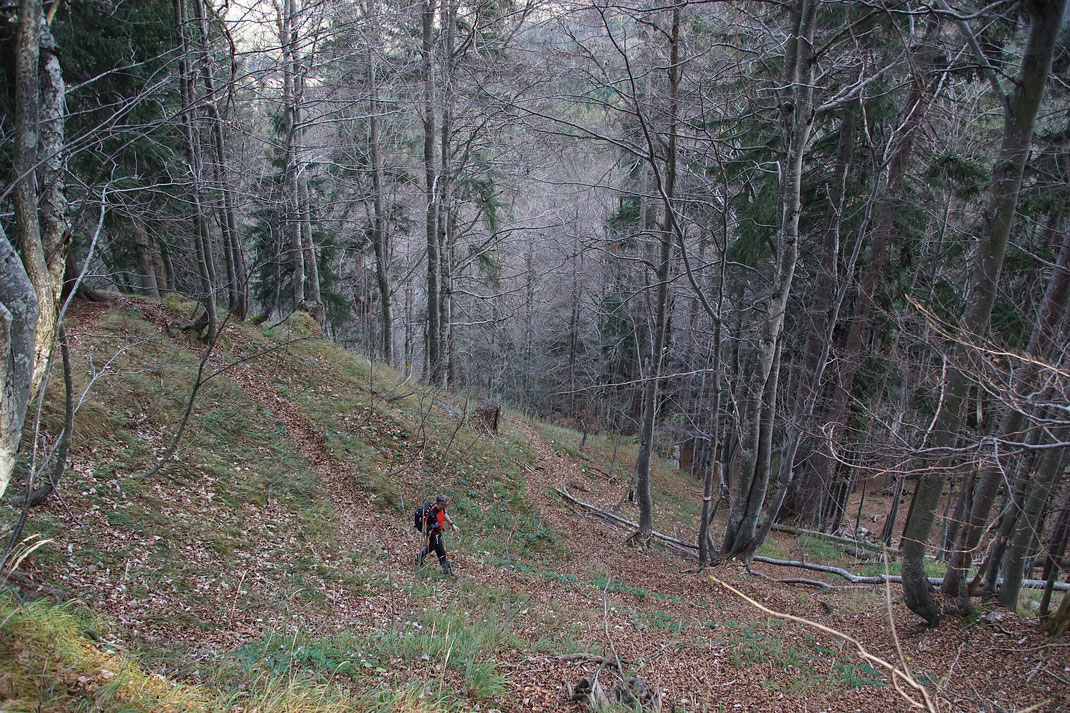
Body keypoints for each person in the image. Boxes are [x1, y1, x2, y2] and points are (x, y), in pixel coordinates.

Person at [419, 494, 459, 575]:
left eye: (447, 505)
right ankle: (448, 573)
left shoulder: (441, 509)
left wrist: (452, 524)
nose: (445, 506)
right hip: (433, 536)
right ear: (439, 503)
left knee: (430, 548)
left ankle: (418, 558)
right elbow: (425, 527)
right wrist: (425, 540)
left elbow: (444, 514)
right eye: (444, 505)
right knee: (442, 554)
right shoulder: (431, 514)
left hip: (438, 534)